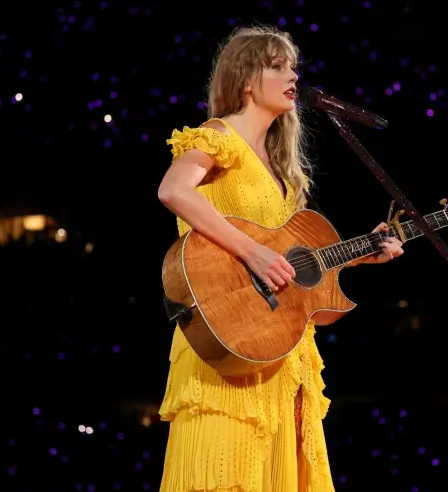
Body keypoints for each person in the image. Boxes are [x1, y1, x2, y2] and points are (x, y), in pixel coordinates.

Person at [156, 25, 405, 492]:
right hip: (223, 338)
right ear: (247, 78)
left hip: (276, 347)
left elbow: (288, 264)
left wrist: (359, 256)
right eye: (277, 65)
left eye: (293, 66)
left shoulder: (281, 169)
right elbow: (172, 190)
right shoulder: (218, 138)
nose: (293, 75)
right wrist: (249, 250)